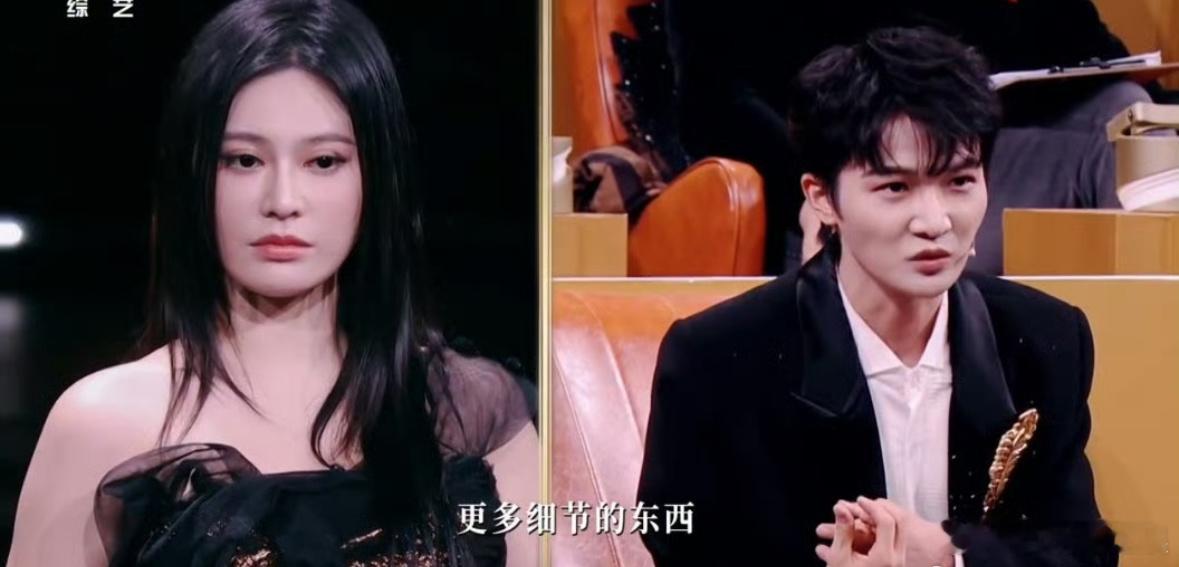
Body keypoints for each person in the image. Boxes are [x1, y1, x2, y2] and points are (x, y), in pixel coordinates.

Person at [6, 1, 538, 565]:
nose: (283, 201)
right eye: (243, 160)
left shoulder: (466, 411)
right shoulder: (102, 422)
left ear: (377, 177)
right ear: (193, 175)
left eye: (324, 162)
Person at [637, 27, 1117, 566]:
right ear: (822, 198)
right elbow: (681, 545)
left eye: (959, 181)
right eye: (895, 188)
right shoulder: (716, 357)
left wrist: (951, 556)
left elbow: (1083, 551)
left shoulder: (1044, 338)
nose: (935, 221)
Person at [665, 0, 1154, 275]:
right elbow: (714, 100)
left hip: (974, 150)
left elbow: (1094, 51)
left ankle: (1148, 333)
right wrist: (825, 184)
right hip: (841, 166)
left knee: (1130, 112)